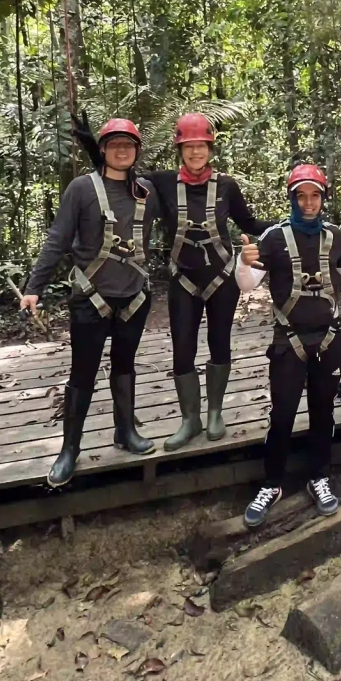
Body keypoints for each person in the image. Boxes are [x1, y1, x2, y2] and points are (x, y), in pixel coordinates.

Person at [73, 112, 274, 450]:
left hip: (221, 276)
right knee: (183, 349)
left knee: (219, 342)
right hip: (183, 278)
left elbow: (249, 222)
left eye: (201, 146)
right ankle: (189, 419)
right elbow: (122, 177)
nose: (196, 153)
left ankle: (214, 413)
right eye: (189, 147)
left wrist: (289, 225)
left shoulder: (227, 186)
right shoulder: (161, 184)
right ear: (180, 149)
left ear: (210, 148)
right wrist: (95, 149)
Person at [21, 119, 159, 486]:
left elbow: (188, 191)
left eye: (128, 145)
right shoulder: (80, 189)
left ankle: (125, 431)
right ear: (101, 149)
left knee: (125, 365)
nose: (121, 150)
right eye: (113, 144)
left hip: (134, 296)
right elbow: (58, 238)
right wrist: (35, 286)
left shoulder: (147, 190)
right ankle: (69, 449)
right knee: (83, 372)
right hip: (90, 299)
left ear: (137, 151)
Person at [235, 164, 341, 528]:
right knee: (282, 414)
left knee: (322, 411)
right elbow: (248, 284)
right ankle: (272, 483)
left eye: (315, 196)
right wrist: (241, 262)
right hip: (289, 340)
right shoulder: (273, 239)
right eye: (301, 196)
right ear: (292, 199)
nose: (308, 203)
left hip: (329, 338)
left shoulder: (334, 236)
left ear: (323, 199)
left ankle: (319, 477)